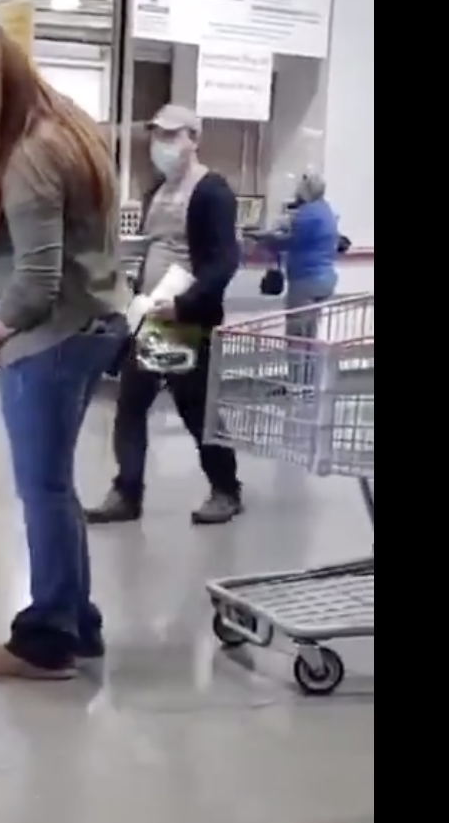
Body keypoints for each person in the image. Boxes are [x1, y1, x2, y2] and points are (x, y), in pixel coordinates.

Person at [0, 14, 129, 679]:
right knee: (55, 489)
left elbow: (38, 282)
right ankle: (79, 621)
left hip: (50, 335)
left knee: (43, 490)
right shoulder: (65, 123)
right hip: (95, 322)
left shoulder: (27, 155)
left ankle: (46, 639)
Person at [87, 105, 243, 527]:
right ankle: (127, 492)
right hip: (151, 317)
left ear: (194, 138)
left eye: (173, 136)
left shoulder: (212, 192)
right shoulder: (158, 191)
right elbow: (153, 247)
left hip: (186, 321)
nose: (162, 144)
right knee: (132, 404)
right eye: (157, 135)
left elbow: (223, 262)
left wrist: (186, 304)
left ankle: (226, 489)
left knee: (196, 409)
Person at [257, 170, 342, 320]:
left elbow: (290, 240)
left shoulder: (307, 213)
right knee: (311, 328)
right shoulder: (325, 210)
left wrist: (265, 239)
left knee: (297, 329)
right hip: (326, 278)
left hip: (306, 278)